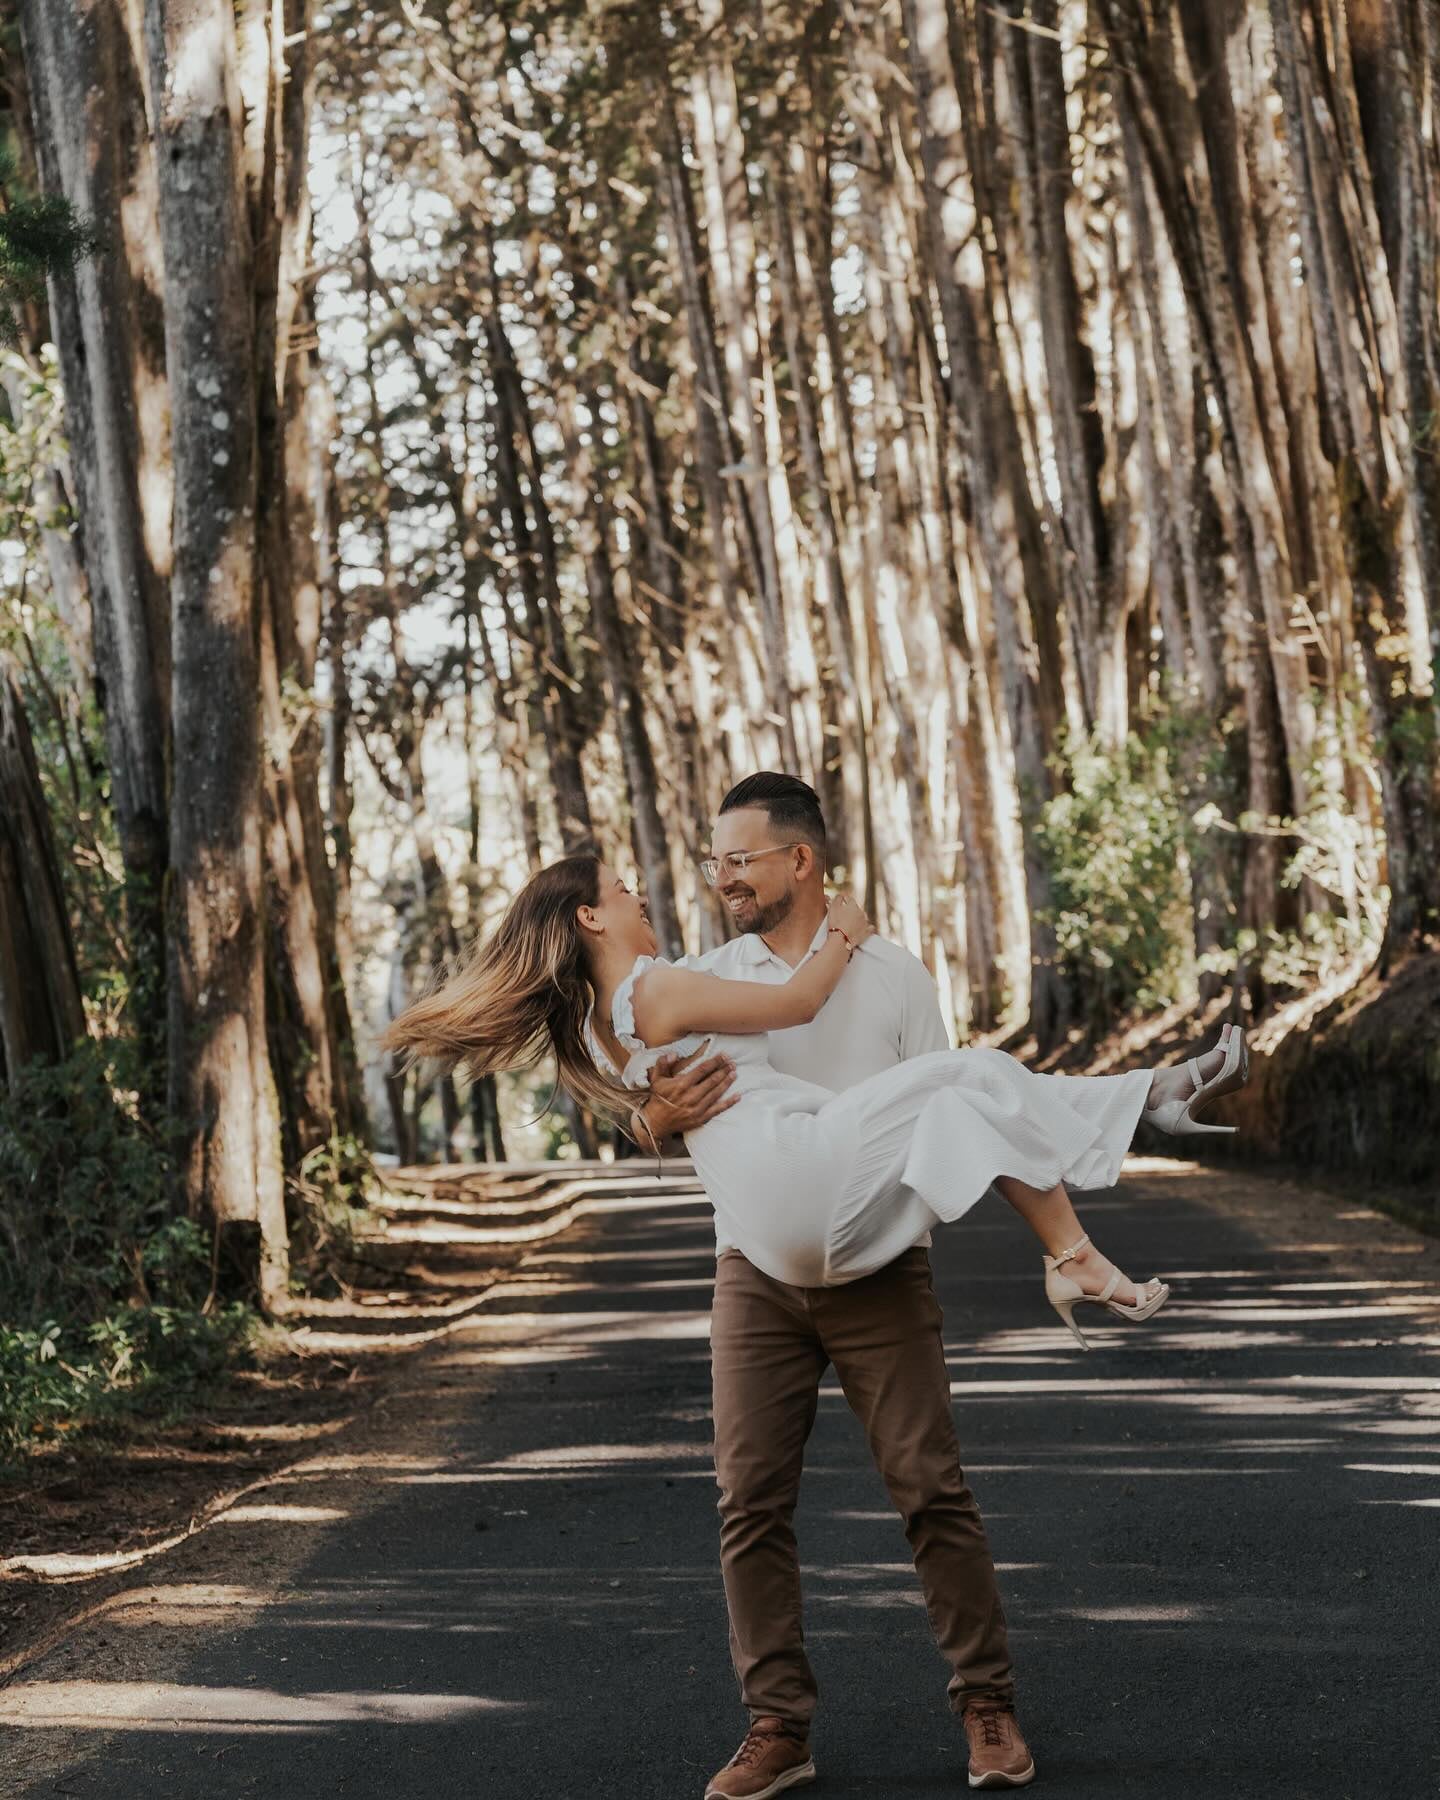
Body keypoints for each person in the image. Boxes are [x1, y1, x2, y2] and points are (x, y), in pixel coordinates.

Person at [380, 773, 1249, 1796]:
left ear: (801, 859)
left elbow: (978, 1116)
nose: (714, 879)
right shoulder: (699, 971)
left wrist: (842, 959)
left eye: (738, 859)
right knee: (748, 1498)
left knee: (931, 1487)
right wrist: (650, 1120)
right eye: (711, 862)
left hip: (875, 1249)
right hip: (758, 1260)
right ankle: (777, 1728)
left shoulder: (892, 976)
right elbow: (646, 1084)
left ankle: (988, 1708)